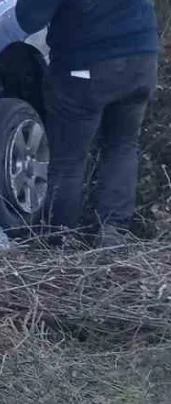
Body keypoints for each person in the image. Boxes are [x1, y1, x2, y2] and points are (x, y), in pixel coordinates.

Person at [16, 0, 159, 244]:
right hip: (141, 58)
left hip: (87, 65)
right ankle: (113, 231)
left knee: (68, 157)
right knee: (122, 145)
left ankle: (58, 237)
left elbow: (29, 18)